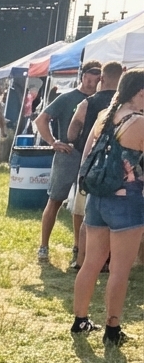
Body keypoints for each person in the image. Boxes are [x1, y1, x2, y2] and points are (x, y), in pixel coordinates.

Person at [71, 68, 144, 345]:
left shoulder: (105, 115)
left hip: (97, 197)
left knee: (91, 262)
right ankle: (112, 329)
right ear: (140, 92)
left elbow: (87, 154)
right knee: (119, 270)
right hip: (127, 200)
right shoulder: (137, 122)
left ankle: (80, 320)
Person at [35, 61, 102, 260]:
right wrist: (53, 141)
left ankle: (77, 248)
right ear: (82, 76)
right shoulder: (68, 98)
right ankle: (44, 246)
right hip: (68, 153)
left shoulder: (101, 99)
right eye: (88, 79)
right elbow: (41, 119)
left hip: (90, 156)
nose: (90, 84)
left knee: (81, 204)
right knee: (55, 200)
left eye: (95, 80)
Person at [65, 61, 123, 269]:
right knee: (114, 221)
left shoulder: (88, 104)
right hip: (120, 172)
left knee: (87, 219)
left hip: (92, 168)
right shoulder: (129, 108)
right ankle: (107, 261)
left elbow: (72, 133)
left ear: (102, 79)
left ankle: (81, 259)